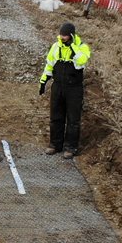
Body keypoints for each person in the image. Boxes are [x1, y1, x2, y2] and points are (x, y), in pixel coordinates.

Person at [39, 21, 91, 158]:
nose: (62, 38)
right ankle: (55, 144)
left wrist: (73, 48)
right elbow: (49, 64)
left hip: (74, 88)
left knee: (73, 119)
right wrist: (43, 81)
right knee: (56, 116)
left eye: (65, 36)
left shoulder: (82, 47)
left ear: (71, 36)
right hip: (58, 86)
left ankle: (71, 147)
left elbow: (81, 61)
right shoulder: (56, 47)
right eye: (61, 35)